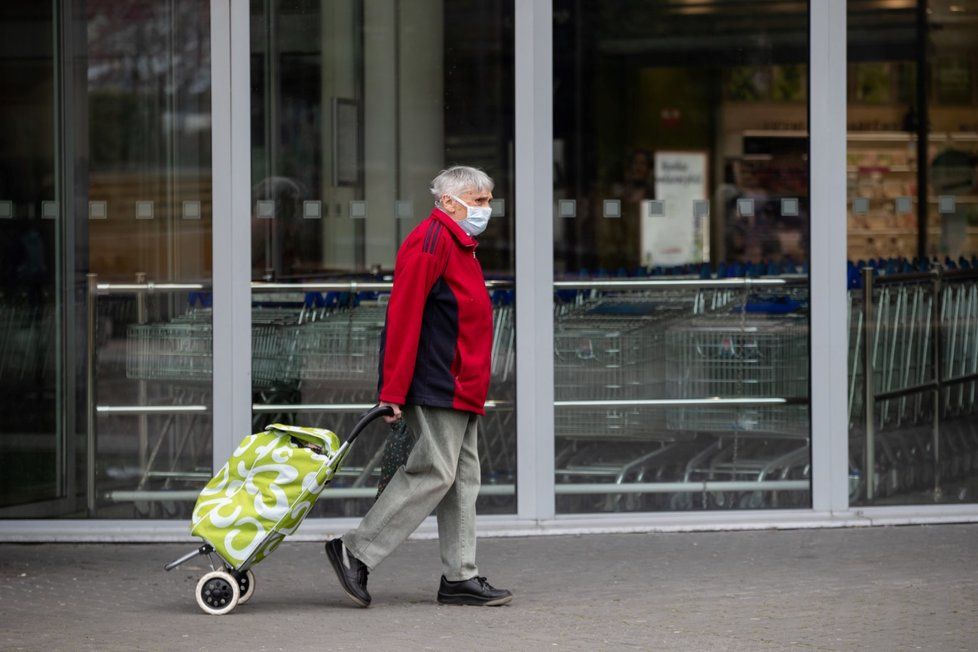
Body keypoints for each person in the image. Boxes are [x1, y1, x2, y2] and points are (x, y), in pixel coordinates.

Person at [324, 166, 513, 608]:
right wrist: (392, 389)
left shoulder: (457, 243)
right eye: (478, 200)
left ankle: (460, 577)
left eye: (488, 200)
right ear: (449, 201)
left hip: (459, 381)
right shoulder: (430, 242)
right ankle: (355, 549)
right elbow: (404, 317)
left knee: (463, 479)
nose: (486, 208)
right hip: (437, 380)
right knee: (436, 472)